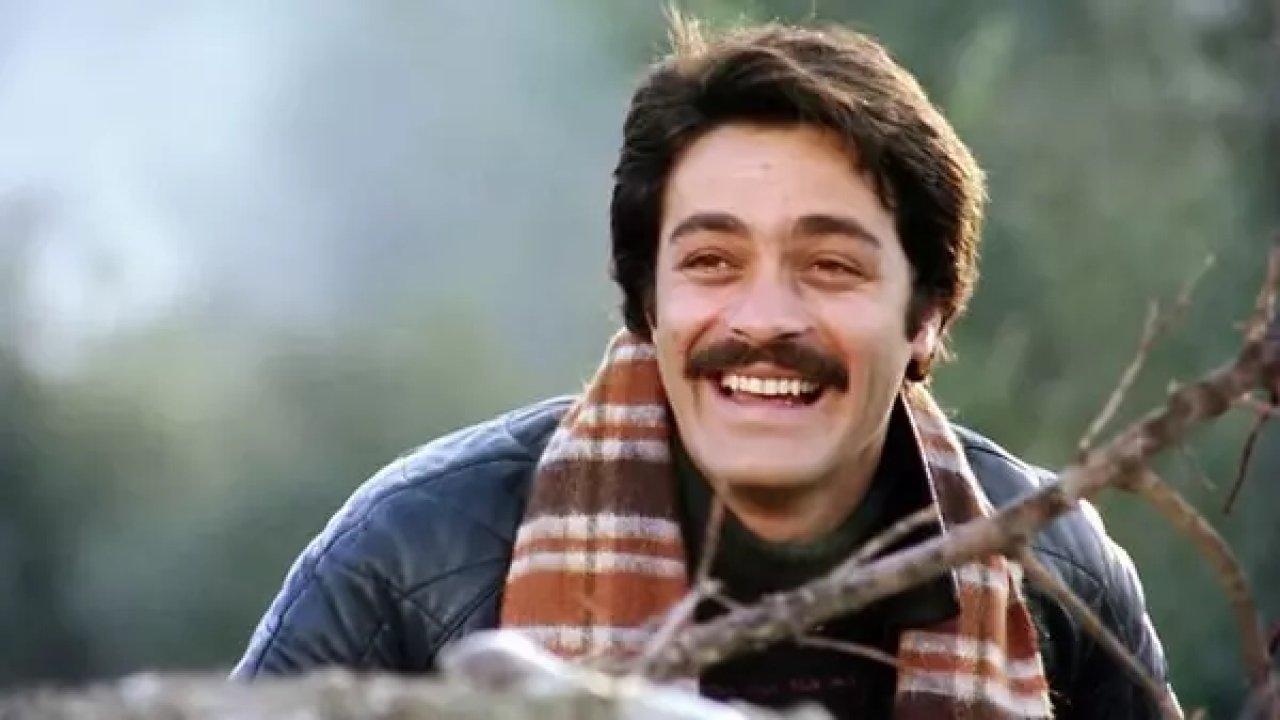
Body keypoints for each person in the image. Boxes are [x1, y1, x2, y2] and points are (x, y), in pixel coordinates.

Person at [232, 16, 1173, 719]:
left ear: (926, 316)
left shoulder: (1051, 571)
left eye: (831, 265)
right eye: (712, 261)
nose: (764, 319)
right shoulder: (418, 555)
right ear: (649, 304)